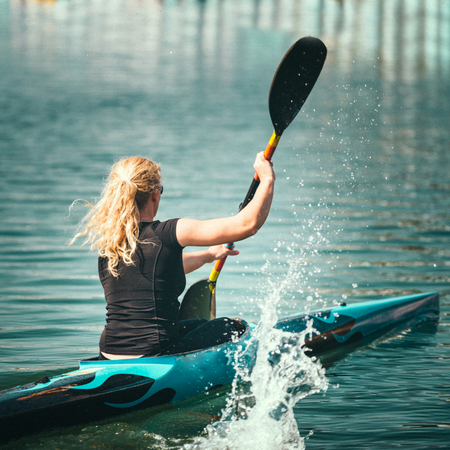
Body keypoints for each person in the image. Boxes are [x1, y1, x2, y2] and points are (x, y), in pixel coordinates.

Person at [71, 153, 275, 360]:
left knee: (198, 324)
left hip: (108, 352)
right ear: (154, 194)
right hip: (154, 354)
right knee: (233, 326)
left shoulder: (111, 242)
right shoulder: (168, 232)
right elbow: (247, 225)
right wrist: (267, 178)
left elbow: (155, 272)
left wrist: (209, 254)